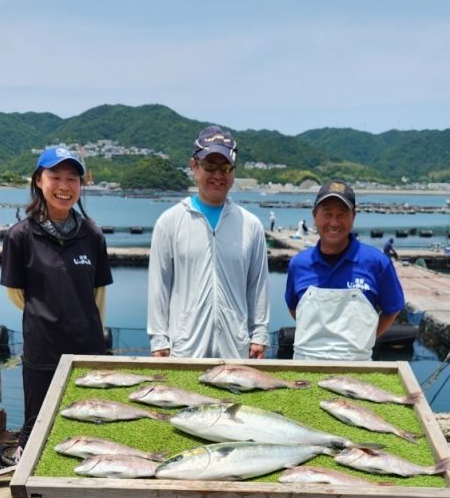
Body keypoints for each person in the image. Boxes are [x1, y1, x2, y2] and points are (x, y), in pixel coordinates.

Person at [1, 146, 112, 454]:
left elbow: (98, 292)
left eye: (72, 179)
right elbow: (16, 294)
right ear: (39, 180)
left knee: (90, 421)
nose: (64, 187)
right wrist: (50, 314)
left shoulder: (92, 234)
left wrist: (82, 321)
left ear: (80, 185)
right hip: (42, 346)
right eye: (56, 177)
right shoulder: (20, 236)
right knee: (38, 423)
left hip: (88, 346)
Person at [147, 125, 269, 359]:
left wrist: (259, 333)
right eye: (209, 166)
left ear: (234, 170)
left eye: (225, 168)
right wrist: (159, 338)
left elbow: (258, 285)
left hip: (236, 348)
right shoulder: (170, 222)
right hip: (185, 348)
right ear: (194, 166)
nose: (218, 175)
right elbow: (158, 285)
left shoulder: (251, 225)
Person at [284, 181, 405, 360]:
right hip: (305, 361)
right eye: (327, 214)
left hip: (357, 363)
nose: (334, 222)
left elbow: (393, 309)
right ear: (315, 215)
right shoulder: (298, 264)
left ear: (353, 216)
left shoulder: (377, 262)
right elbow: (294, 308)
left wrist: (365, 339)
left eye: (341, 215)